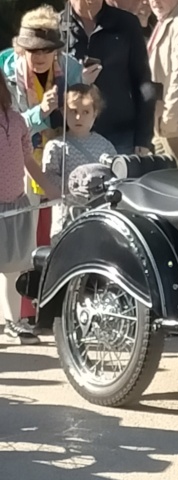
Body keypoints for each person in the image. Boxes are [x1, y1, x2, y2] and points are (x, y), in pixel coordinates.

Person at [1, 4, 98, 329]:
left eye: (47, 49)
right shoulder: (5, 67)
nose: (40, 56)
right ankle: (20, 315)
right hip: (17, 164)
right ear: (20, 48)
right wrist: (39, 112)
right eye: (32, 49)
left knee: (51, 235)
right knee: (21, 241)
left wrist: (84, 89)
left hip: (57, 159)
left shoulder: (68, 68)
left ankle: (47, 310)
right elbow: (11, 124)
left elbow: (77, 112)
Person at [0, 71, 60, 345]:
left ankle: (13, 322)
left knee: (14, 266)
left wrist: (49, 188)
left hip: (16, 205)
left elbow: (27, 160)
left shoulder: (17, 120)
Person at [63, 0, 155, 155]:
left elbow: (143, 82)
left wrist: (143, 138)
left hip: (120, 135)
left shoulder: (126, 23)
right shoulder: (56, 27)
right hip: (71, 137)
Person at [42, 83, 117, 238]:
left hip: (99, 216)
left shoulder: (105, 145)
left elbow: (116, 176)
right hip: (67, 217)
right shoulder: (55, 146)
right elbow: (48, 179)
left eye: (85, 112)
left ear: (95, 113)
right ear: (63, 112)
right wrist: (73, 188)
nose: (78, 117)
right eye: (73, 111)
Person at [148, 0, 178, 168]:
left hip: (174, 123)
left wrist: (170, 119)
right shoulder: (166, 20)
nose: (154, 2)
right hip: (161, 120)